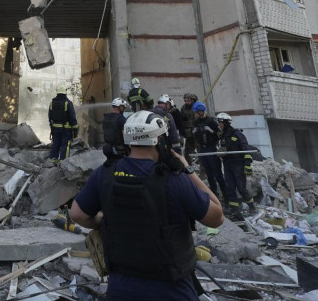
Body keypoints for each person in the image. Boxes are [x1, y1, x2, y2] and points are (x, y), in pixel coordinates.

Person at [69, 111, 224, 301]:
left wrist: (104, 221)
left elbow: (77, 214)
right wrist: (187, 169)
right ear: (159, 139)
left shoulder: (105, 174)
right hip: (171, 292)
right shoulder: (175, 180)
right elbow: (217, 217)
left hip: (120, 290)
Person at [217, 112, 256, 219]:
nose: (219, 125)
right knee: (230, 188)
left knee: (241, 187)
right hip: (227, 164)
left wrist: (247, 165)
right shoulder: (222, 136)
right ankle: (235, 210)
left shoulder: (237, 133)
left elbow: (245, 148)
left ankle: (252, 207)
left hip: (238, 163)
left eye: (220, 122)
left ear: (226, 122)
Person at [192, 102, 225, 200]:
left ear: (203, 110)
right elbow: (194, 135)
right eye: (197, 112)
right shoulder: (196, 122)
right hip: (202, 149)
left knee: (217, 173)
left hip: (211, 148)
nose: (199, 113)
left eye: (200, 111)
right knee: (209, 173)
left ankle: (225, 194)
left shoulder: (211, 121)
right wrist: (194, 132)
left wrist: (211, 131)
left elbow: (220, 134)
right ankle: (214, 193)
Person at [47, 84, 78, 163]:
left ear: (57, 92)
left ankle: (52, 161)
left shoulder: (52, 103)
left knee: (56, 144)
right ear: (65, 92)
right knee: (65, 145)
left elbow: (50, 117)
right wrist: (75, 130)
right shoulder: (67, 103)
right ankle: (63, 162)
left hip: (55, 129)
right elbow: (72, 117)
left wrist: (52, 128)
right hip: (66, 129)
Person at [178, 93, 198, 158]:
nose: (186, 102)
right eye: (185, 100)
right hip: (188, 134)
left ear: (193, 100)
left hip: (197, 133)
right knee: (187, 153)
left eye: (188, 100)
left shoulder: (197, 107)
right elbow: (182, 120)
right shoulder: (183, 108)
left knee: (200, 152)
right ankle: (188, 167)